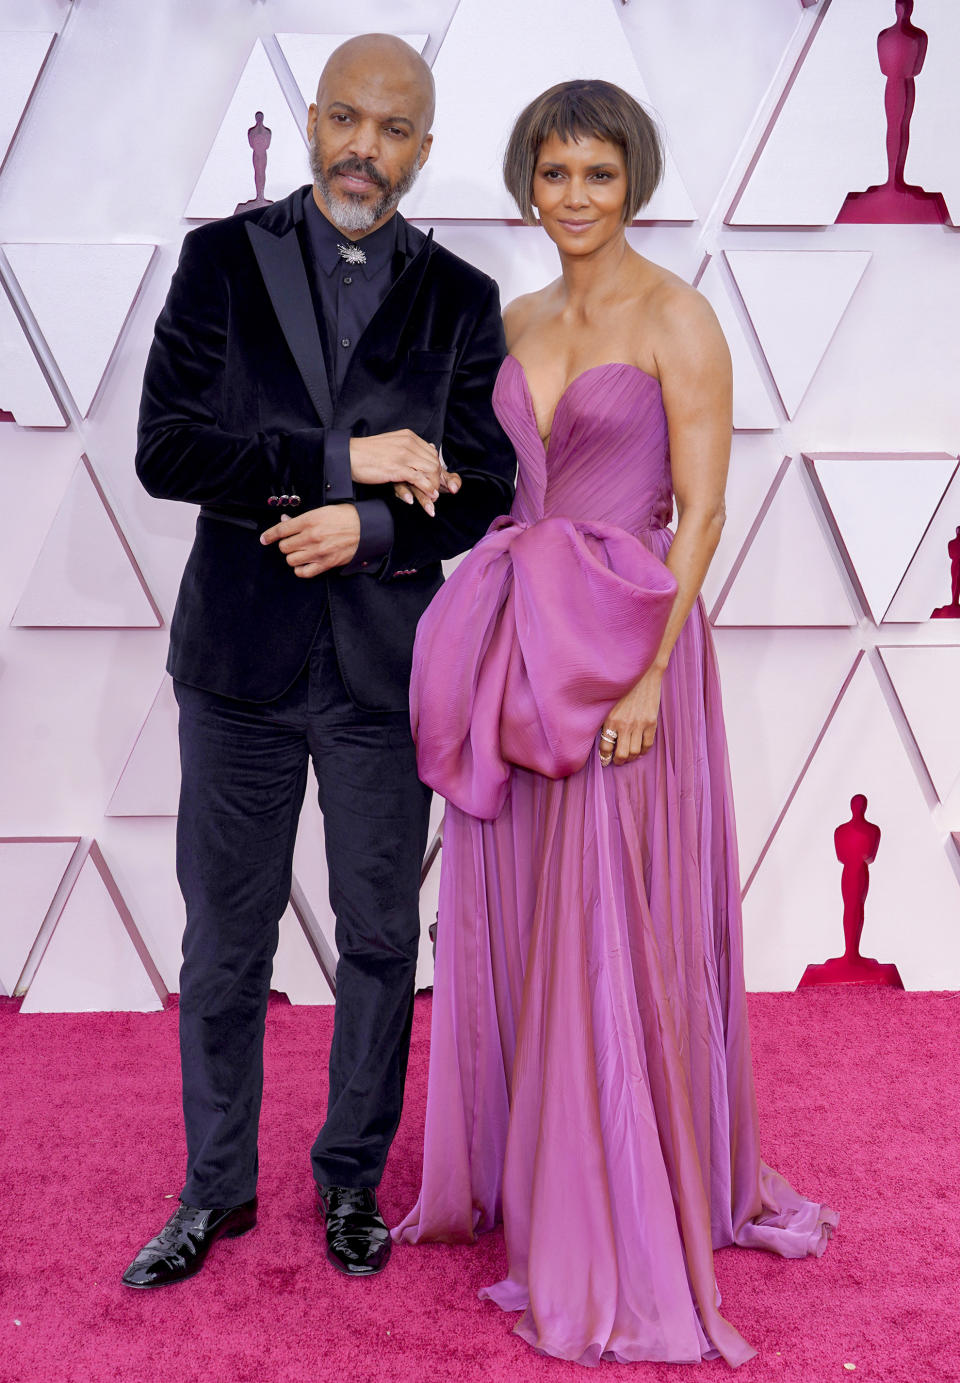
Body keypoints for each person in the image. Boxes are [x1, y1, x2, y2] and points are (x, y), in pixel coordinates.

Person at [395, 79, 836, 1366]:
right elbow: (505, 481)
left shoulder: (679, 316)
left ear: (632, 182)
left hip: (627, 650)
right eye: (553, 174)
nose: (574, 198)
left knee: (610, 910)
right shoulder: (520, 315)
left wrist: (644, 676)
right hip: (527, 645)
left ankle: (623, 1189)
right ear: (528, 183)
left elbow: (699, 511)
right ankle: (546, 1167)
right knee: (529, 903)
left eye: (597, 175)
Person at [121, 34, 515, 1289]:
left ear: (424, 149)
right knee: (223, 943)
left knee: (382, 939)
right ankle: (214, 1190)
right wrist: (340, 466)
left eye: (392, 129)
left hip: (384, 670)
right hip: (235, 663)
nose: (364, 147)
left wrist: (375, 524)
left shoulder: (460, 297)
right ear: (311, 123)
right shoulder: (220, 261)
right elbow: (169, 452)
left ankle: (351, 1178)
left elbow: (485, 486)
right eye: (345, 118)